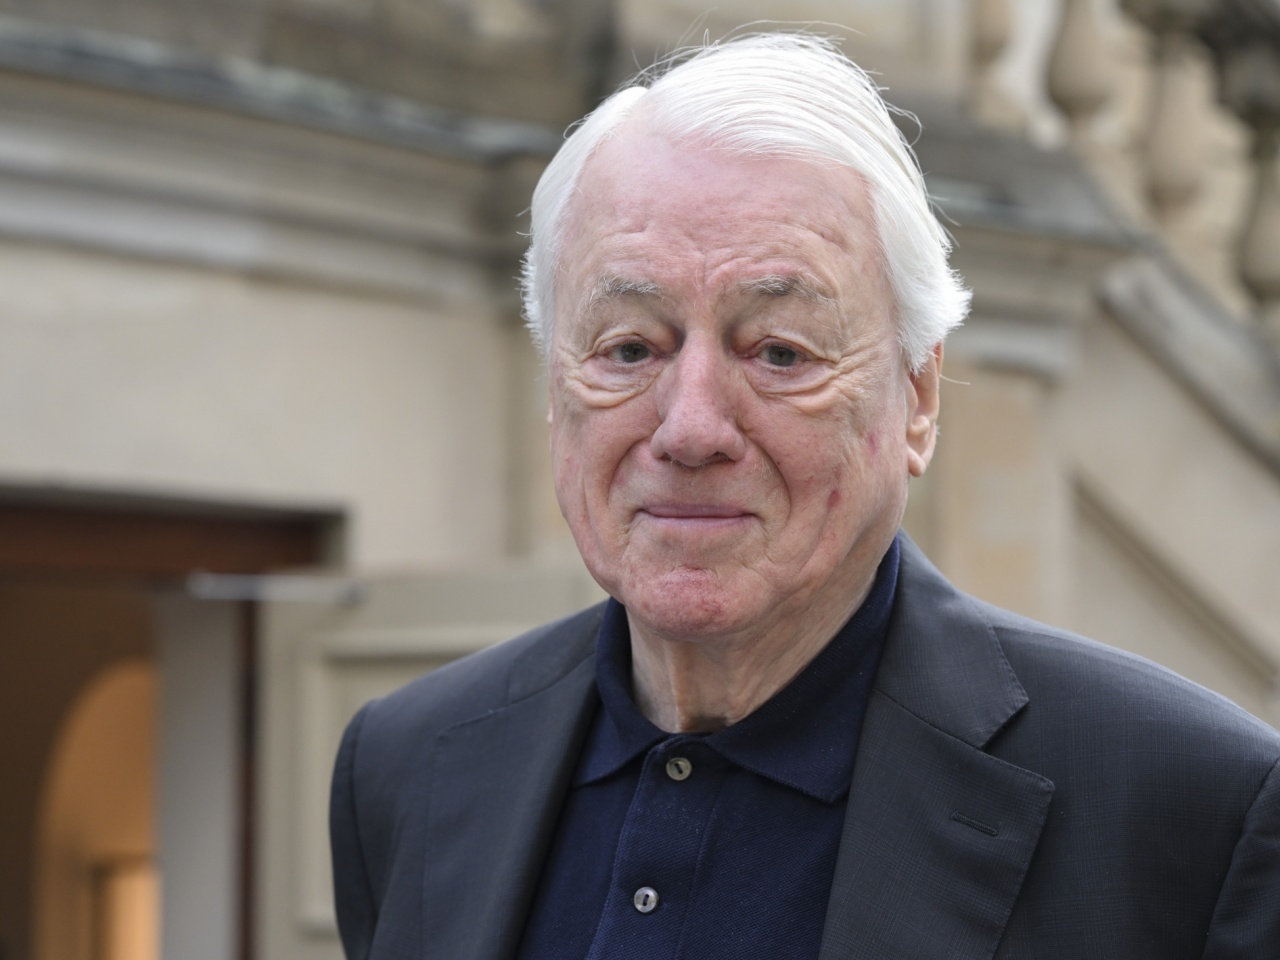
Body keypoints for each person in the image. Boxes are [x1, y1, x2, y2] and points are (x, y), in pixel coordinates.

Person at [330, 33, 1280, 959]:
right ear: (556, 393)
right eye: (629, 348)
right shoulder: (408, 767)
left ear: (917, 399)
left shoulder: (1194, 813)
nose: (690, 427)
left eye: (779, 352)